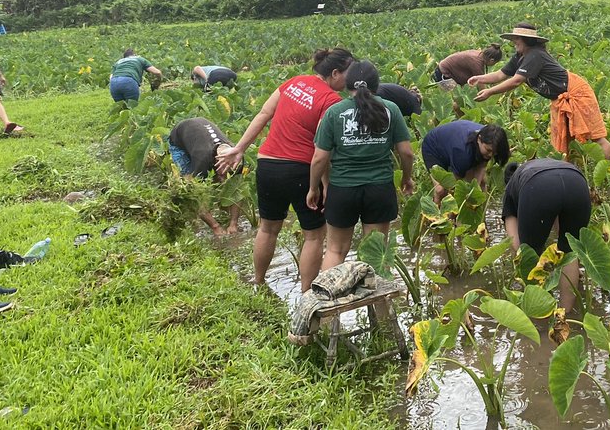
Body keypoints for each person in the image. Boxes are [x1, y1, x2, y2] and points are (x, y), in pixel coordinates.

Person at [218, 48, 355, 292]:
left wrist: (239, 148)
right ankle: (306, 294)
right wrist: (325, 183)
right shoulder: (332, 101)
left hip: (268, 164)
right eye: (348, 73)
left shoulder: (293, 83)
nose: (350, 79)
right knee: (313, 235)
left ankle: (258, 282)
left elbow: (264, 114)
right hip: (301, 170)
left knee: (267, 228)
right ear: (335, 73)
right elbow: (321, 149)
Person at [307, 60, 414, 271]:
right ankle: (379, 305)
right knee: (376, 252)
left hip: (343, 189)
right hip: (379, 189)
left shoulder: (334, 112)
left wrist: (313, 189)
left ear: (348, 84)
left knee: (336, 250)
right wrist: (406, 178)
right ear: (376, 85)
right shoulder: (391, 109)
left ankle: (330, 301)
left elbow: (319, 158)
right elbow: (407, 152)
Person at [469, 24, 610, 158]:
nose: (514, 42)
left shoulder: (535, 54)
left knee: (596, 138)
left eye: (517, 38)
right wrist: (479, 79)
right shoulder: (520, 56)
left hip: (577, 94)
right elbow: (501, 74)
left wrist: (490, 92)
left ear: (527, 40)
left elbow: (517, 80)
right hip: (559, 98)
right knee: (563, 143)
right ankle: (567, 175)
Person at [502, 158, 591, 312]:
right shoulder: (539, 165)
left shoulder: (510, 191)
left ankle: (542, 316)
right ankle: (565, 315)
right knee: (569, 252)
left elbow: (516, 244)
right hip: (576, 181)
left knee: (531, 254)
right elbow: (560, 222)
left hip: (538, 187)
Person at [168, 117, 243, 237]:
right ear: (215, 163)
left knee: (222, 184)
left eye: (228, 173)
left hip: (201, 135)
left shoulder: (237, 159)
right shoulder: (202, 161)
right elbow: (195, 197)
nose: (224, 178)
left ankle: (223, 214)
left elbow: (237, 192)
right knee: (189, 187)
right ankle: (197, 221)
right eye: (222, 172)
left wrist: (234, 223)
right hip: (179, 138)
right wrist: (216, 227)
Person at [421, 120, 511, 204]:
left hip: (456, 143)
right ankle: (436, 216)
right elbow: (457, 187)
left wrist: (475, 189)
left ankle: (481, 218)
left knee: (481, 184)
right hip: (433, 148)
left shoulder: (490, 139)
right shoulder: (462, 152)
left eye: (494, 153)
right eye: (488, 150)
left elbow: (482, 166)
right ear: (479, 139)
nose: (491, 155)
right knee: (441, 190)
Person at [434, 44, 504, 90]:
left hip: (446, 71)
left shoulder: (480, 54)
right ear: (492, 60)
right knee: (455, 100)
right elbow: (481, 83)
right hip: (443, 74)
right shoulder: (476, 62)